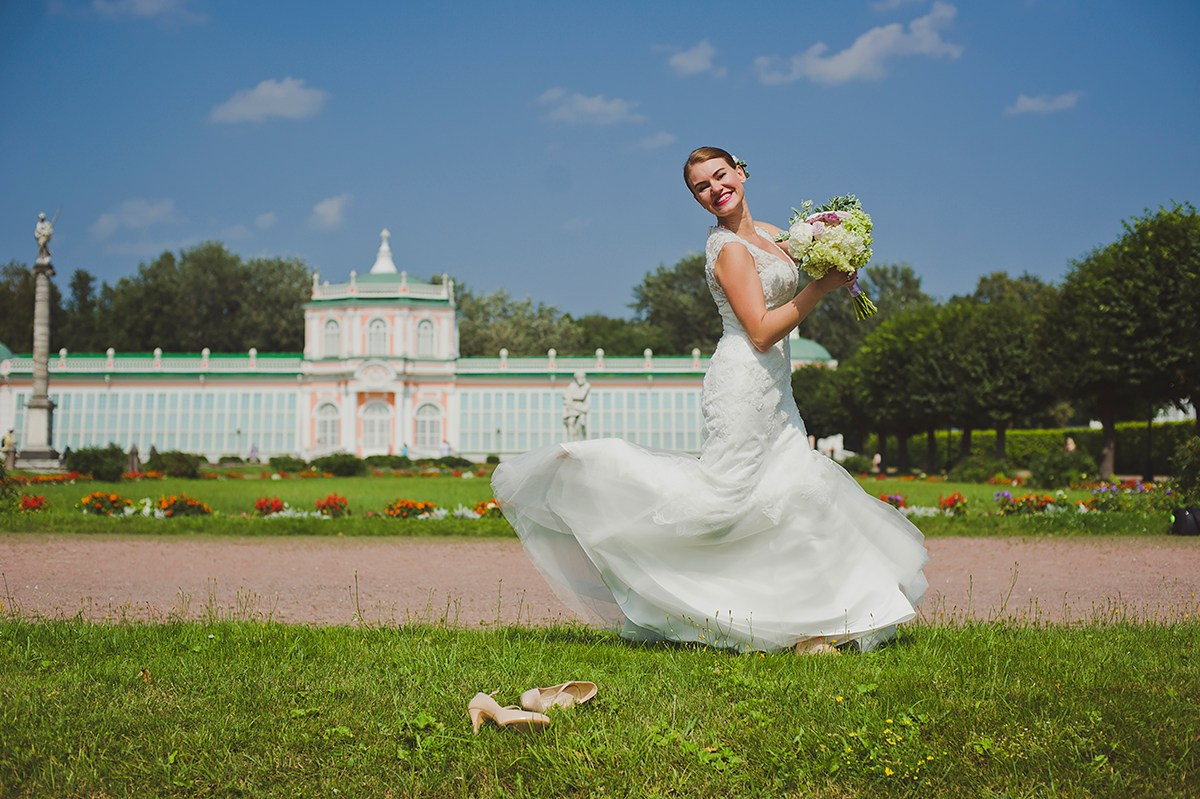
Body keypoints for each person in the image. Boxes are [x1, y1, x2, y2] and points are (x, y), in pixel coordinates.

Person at [493, 147, 927, 654]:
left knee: (799, 487)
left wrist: (832, 241)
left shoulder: (764, 233)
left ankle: (815, 624)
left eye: (720, 176)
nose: (716, 189)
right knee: (724, 501)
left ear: (741, 172)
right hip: (743, 381)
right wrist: (822, 288)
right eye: (702, 187)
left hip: (774, 388)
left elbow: (799, 249)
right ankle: (599, 472)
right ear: (697, 199)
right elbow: (762, 332)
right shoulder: (729, 251)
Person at [562, 371, 591, 441]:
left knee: (582, 423)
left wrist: (571, 397)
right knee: (571, 422)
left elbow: (581, 396)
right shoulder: (572, 385)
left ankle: (584, 439)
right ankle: (572, 440)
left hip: (581, 407)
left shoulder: (586, 385)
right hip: (572, 407)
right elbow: (565, 395)